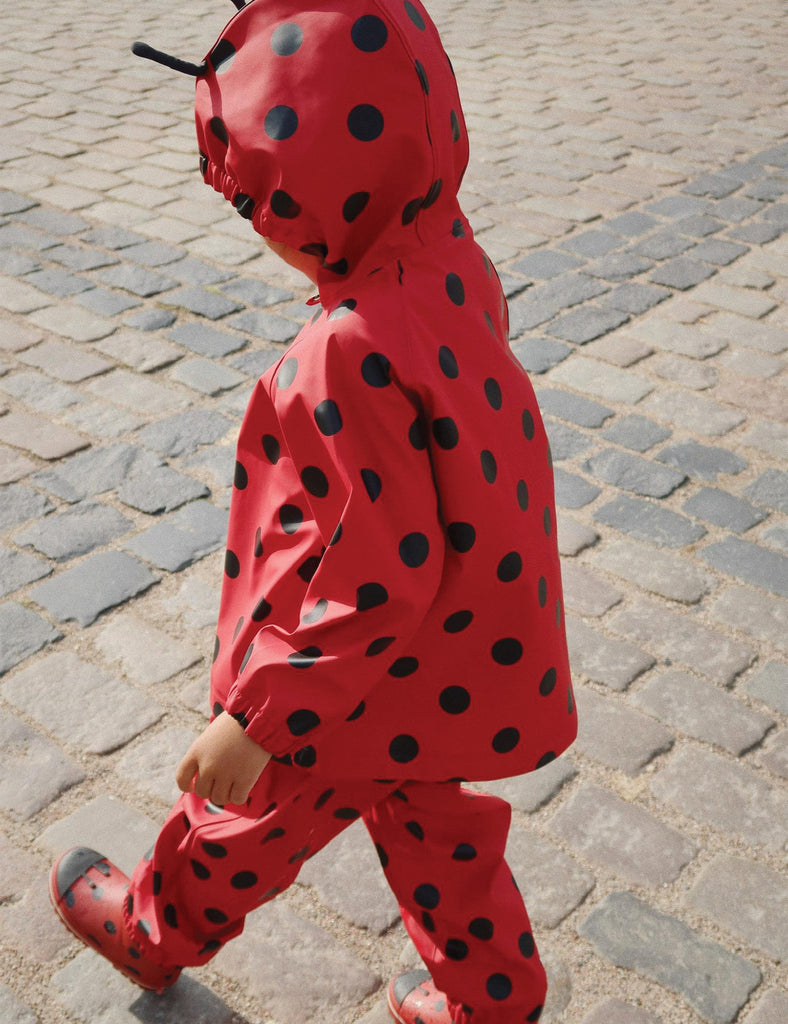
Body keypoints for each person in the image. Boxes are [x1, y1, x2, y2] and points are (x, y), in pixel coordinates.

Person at [49, 1, 577, 1022]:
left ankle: (151, 932)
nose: (265, 231)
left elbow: (379, 573)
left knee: (242, 821)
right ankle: (494, 997)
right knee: (435, 833)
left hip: (345, 684)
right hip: (450, 659)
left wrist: (261, 719)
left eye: (262, 207)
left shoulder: (346, 348)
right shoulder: (448, 252)